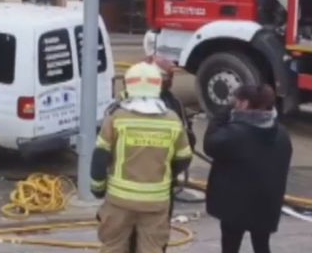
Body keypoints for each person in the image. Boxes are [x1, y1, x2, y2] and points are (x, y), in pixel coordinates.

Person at [91, 62, 192, 253]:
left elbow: (100, 156)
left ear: (129, 85)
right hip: (156, 200)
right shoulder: (171, 119)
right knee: (152, 248)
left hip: (119, 200)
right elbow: (185, 157)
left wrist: (98, 188)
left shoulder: (117, 117)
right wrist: (165, 176)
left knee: (113, 246)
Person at [204, 84, 292, 253]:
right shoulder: (281, 133)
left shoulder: (234, 134)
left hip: (234, 206)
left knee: (230, 246)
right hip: (267, 203)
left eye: (236, 101)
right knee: (261, 245)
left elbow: (210, 144)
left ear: (244, 104)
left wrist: (226, 110)